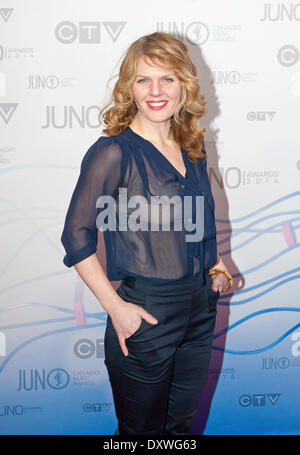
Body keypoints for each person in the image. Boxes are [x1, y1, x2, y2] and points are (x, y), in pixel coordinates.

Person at [61, 31, 233, 435]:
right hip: (145, 311)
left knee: (180, 430)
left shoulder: (193, 143)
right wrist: (115, 308)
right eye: (144, 80)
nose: (156, 91)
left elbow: (198, 214)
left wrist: (214, 262)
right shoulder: (113, 151)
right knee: (141, 435)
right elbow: (75, 236)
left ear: (184, 85)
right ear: (130, 88)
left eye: (167, 79)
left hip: (199, 307)